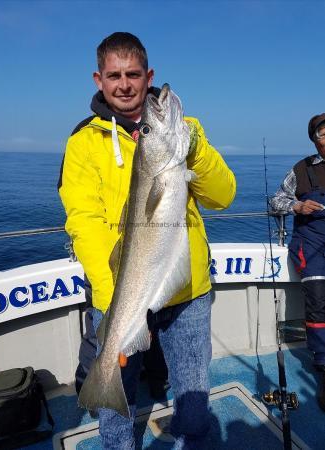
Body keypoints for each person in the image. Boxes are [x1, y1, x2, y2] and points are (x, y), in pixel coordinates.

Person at [58, 32, 236, 449]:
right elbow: (84, 221)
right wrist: (114, 297)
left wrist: (195, 151)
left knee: (194, 392)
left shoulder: (186, 132)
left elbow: (223, 196)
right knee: (114, 394)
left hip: (187, 288)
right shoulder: (83, 142)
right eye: (114, 75)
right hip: (118, 289)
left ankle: (194, 440)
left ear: (147, 75)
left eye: (133, 74)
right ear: (98, 78)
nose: (125, 84)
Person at [270, 113, 325, 412]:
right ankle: (322, 363)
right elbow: (275, 200)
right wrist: (297, 205)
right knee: (317, 303)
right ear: (314, 139)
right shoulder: (301, 169)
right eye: (323, 133)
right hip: (311, 247)